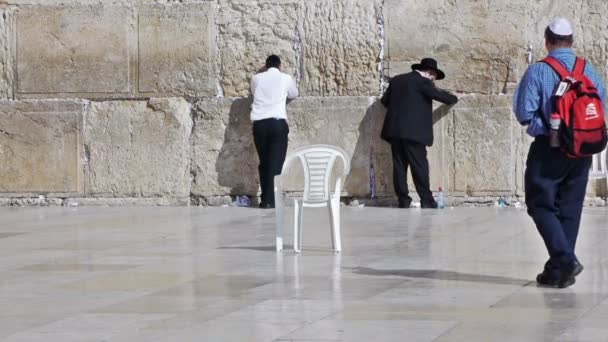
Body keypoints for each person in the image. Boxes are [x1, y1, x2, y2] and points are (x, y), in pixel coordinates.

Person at [513, 18, 606, 288]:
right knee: (570, 207)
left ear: (547, 40)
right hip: (583, 149)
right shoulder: (587, 69)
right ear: (572, 42)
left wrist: (554, 130)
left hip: (550, 147)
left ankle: (565, 259)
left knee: (540, 204)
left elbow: (524, 113)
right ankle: (558, 271)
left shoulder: (538, 70)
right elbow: (600, 103)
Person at [380, 58, 458, 209]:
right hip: (414, 133)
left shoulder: (397, 80)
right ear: (430, 73)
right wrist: (455, 97)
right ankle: (427, 200)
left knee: (399, 167)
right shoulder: (423, 82)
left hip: (394, 131)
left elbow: (385, 101)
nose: (434, 80)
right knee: (419, 167)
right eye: (434, 77)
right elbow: (442, 97)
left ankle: (403, 200)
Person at [250, 55, 299, 209]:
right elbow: (293, 94)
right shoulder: (285, 78)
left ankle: (266, 199)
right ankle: (271, 200)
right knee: (275, 164)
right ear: (280, 65)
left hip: (259, 124)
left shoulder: (256, 78)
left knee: (264, 163)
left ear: (266, 66)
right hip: (277, 124)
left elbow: (253, 92)